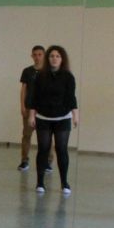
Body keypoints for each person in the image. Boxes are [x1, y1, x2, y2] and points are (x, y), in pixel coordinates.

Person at [26, 45, 78, 196]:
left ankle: (64, 182)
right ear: (47, 58)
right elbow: (34, 98)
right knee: (43, 148)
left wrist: (76, 115)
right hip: (43, 117)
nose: (54, 59)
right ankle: (40, 182)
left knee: (61, 149)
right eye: (51, 56)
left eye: (57, 56)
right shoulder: (40, 76)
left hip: (63, 117)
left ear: (62, 59)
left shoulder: (68, 77)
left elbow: (71, 97)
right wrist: (31, 115)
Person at [17, 45, 45, 171]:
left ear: (44, 55)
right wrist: (22, 106)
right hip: (29, 108)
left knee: (45, 137)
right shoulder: (27, 71)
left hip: (44, 110)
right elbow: (23, 90)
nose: (37, 57)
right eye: (35, 55)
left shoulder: (48, 71)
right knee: (26, 135)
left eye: (40, 54)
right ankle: (24, 161)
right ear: (32, 56)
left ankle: (47, 162)